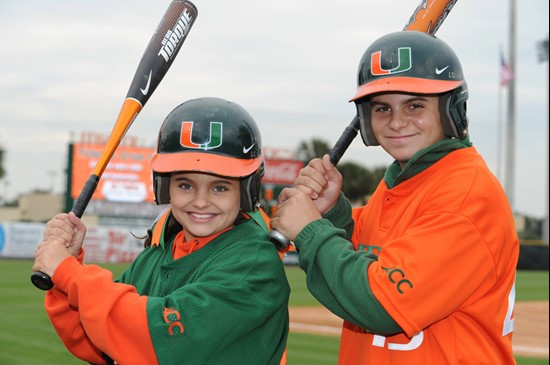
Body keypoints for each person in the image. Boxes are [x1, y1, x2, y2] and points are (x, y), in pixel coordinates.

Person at [271, 31, 519, 364]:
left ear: (450, 109)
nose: (397, 122)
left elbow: (382, 303)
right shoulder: (404, 182)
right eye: (383, 108)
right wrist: (330, 212)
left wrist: (310, 230)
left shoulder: (465, 193)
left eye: (414, 105)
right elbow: (364, 257)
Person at [33, 97, 290, 365]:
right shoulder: (157, 255)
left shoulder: (254, 263)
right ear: (164, 187)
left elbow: (158, 341)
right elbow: (97, 337)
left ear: (247, 191)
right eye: (185, 185)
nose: (200, 201)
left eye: (220, 187)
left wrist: (70, 274)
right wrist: (66, 273)